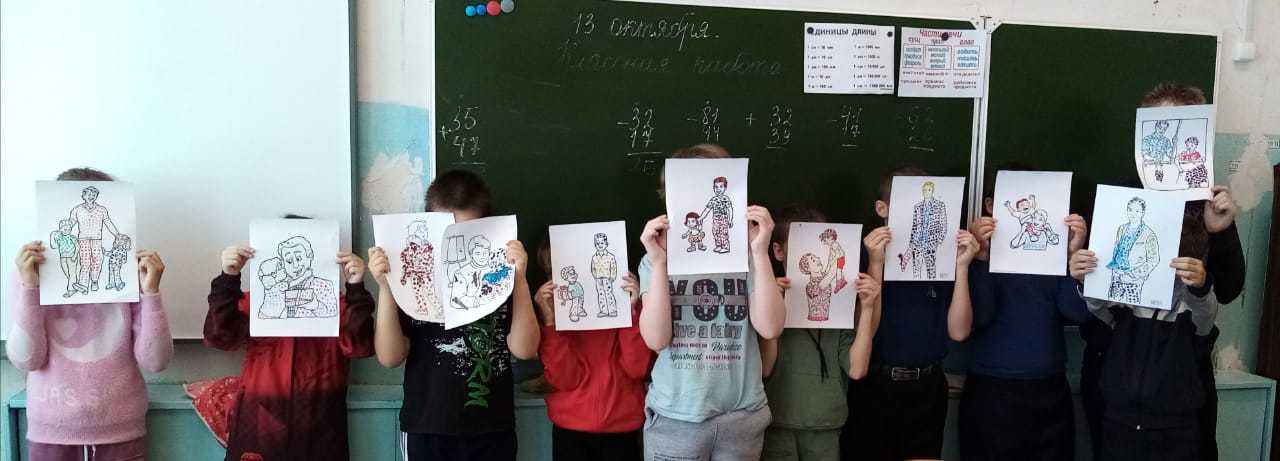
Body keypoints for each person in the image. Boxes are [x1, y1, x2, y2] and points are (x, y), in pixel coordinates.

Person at [1080, 83, 1246, 461]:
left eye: (1181, 127)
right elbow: (1096, 294)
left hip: (1180, 384)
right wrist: (1081, 269)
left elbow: (1229, 289)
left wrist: (1221, 232)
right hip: (1117, 376)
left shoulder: (1210, 204)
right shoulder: (1120, 202)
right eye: (1157, 128)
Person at [369, 169, 539, 461]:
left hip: (492, 429)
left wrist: (520, 279)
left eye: (466, 232)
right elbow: (389, 357)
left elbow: (525, 349)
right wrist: (385, 287)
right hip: (426, 426)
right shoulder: (413, 280)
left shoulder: (500, 279)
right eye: (445, 232)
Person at [7, 167, 173, 461]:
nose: (90, 199)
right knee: (82, 269)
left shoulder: (131, 275)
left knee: (94, 270)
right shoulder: (27, 274)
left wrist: (151, 294)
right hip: (50, 431)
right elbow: (25, 359)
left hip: (121, 431)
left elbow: (156, 361)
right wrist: (30, 288)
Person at [638, 144, 785, 460]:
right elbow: (656, 339)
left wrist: (760, 252)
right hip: (677, 416)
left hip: (742, 415)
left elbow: (771, 327)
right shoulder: (655, 260)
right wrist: (660, 263)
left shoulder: (749, 256)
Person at [203, 214, 374, 461]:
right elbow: (219, 337)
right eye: (289, 259)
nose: (295, 264)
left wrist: (356, 287)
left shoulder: (335, 302)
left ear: (312, 257)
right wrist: (228, 279)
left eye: (300, 257)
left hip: (319, 426)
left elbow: (360, 347)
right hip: (260, 423)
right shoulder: (259, 300)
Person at [845, 166, 980, 461]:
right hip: (874, 385)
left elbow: (959, 332)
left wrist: (962, 267)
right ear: (882, 209)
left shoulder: (943, 260)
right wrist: (876, 265)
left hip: (927, 387)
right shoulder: (862, 256)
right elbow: (864, 329)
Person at [1069, 205, 1218, 460]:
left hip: (1175, 431)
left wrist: (1201, 286)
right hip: (1119, 425)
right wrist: (1084, 279)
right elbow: (1097, 306)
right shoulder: (1125, 305)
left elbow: (1206, 312)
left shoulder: (1191, 310)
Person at [961, 172, 1090, 460]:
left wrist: (1072, 255)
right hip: (991, 388)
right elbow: (979, 317)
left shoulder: (1053, 251)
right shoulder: (974, 255)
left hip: (1049, 387)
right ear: (990, 205)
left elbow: (1077, 313)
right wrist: (981, 259)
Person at [760, 205, 881, 461]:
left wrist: (868, 307)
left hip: (826, 423)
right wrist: (772, 305)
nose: (815, 255)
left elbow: (857, 369)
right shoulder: (766, 299)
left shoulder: (839, 308)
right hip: (776, 422)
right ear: (779, 251)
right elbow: (765, 368)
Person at [534, 240, 653, 461]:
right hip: (570, 429)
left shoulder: (623, 305)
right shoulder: (555, 315)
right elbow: (565, 378)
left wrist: (632, 312)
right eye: (554, 272)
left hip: (621, 428)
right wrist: (549, 322)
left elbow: (637, 368)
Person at [589, 233, 620, 318]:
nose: (600, 245)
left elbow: (613, 267)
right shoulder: (594, 257)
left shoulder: (610, 256)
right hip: (598, 279)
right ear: (595, 245)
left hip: (607, 278)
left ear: (606, 244)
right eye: (597, 243)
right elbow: (593, 268)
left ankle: (612, 310)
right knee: (601, 294)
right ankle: (604, 311)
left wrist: (612, 277)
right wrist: (595, 276)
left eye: (602, 243)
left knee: (609, 294)